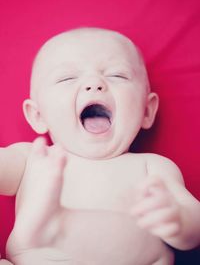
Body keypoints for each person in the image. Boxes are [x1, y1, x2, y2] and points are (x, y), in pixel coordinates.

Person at [1, 28, 200, 264]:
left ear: (147, 110)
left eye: (118, 75)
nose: (94, 83)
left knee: (140, 240)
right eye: (67, 78)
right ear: (37, 115)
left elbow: (196, 224)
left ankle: (58, 228)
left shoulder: (152, 167)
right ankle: (55, 228)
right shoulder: (32, 158)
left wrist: (177, 220)